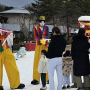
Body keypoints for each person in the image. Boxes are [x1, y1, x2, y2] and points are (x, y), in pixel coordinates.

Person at [0, 23, 25, 90]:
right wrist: (6, 34)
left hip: (6, 49)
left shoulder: (2, 30)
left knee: (12, 65)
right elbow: (3, 33)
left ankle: (15, 83)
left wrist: (8, 33)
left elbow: (4, 32)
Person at [31, 16, 49, 85]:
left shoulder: (46, 27)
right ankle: (36, 78)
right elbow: (35, 36)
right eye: (41, 21)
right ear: (39, 22)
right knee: (37, 61)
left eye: (43, 21)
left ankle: (47, 78)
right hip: (38, 45)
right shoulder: (36, 28)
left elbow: (47, 34)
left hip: (45, 45)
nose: (42, 23)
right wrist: (40, 40)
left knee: (46, 60)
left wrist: (44, 39)